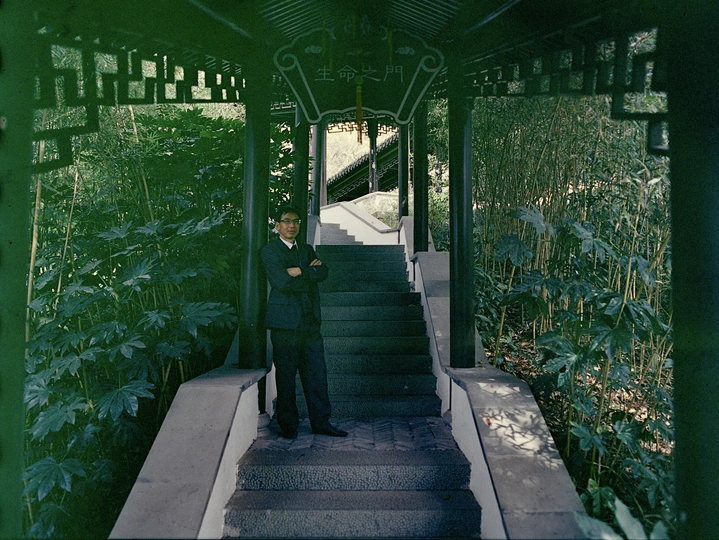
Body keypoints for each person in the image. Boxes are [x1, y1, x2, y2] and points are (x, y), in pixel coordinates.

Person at [260, 205, 348, 439]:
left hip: (310, 324)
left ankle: (322, 423)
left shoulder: (307, 250)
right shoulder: (270, 252)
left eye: (296, 221)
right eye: (287, 221)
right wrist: (308, 273)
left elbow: (323, 272)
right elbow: (281, 282)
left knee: (317, 375)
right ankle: (288, 426)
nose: (292, 225)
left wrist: (299, 271)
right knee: (286, 377)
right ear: (277, 225)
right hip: (285, 325)